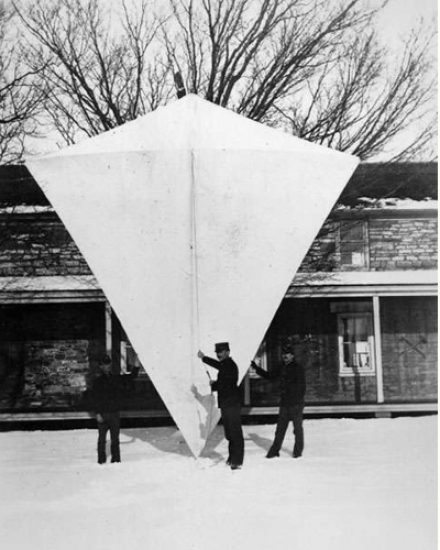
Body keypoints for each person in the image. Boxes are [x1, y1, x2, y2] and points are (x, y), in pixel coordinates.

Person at [251, 343, 306, 459]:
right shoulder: (281, 367)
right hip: (285, 403)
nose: (285, 356)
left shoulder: (298, 368)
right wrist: (256, 368)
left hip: (296, 403)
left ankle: (298, 452)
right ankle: (274, 451)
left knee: (297, 429)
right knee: (280, 429)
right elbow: (270, 376)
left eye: (288, 354)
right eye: (284, 354)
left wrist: (297, 400)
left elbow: (302, 387)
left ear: (292, 356)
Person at [197, 343, 244, 470]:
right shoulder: (225, 364)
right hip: (227, 403)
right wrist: (204, 358)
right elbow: (218, 366)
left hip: (232, 403)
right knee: (229, 433)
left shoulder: (229, 365)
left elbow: (225, 383)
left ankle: (237, 461)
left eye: (221, 352)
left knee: (234, 432)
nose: (218, 354)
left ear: (228, 352)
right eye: (217, 352)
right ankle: (232, 457)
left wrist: (214, 384)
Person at [89, 355, 139, 464]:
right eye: (104, 364)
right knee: (102, 439)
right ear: (101, 366)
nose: (107, 366)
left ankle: (116, 460)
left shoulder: (116, 378)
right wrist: (97, 413)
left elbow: (131, 376)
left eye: (108, 364)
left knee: (115, 439)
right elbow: (94, 399)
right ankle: (101, 460)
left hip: (114, 413)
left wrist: (136, 364)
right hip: (103, 414)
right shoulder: (97, 381)